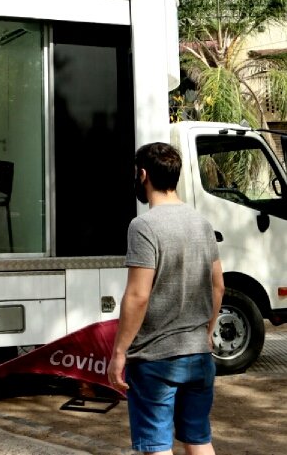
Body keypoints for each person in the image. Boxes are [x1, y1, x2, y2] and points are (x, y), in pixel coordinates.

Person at [107, 142, 224, 455]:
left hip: (154, 360)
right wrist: (208, 333)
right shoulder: (202, 224)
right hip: (199, 356)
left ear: (143, 175)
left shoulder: (143, 226)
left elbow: (138, 295)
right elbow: (218, 286)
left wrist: (119, 352)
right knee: (198, 440)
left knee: (156, 447)